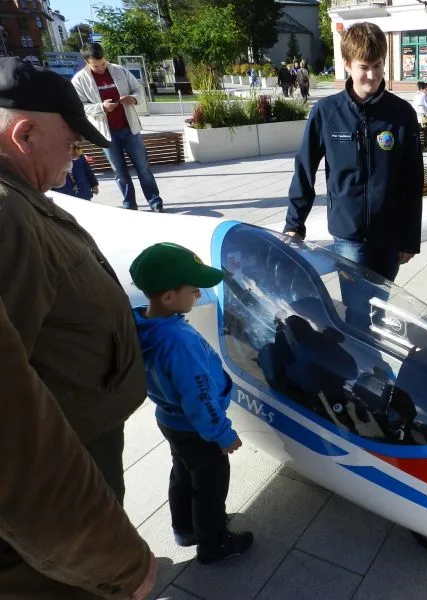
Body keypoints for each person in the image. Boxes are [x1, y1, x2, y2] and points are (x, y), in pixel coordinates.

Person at [0, 56, 155, 599]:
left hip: (81, 442)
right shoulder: (6, 214)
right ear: (24, 134)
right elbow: (12, 428)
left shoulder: (22, 197)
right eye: (71, 143)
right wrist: (115, 562)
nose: (79, 156)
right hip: (63, 478)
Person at [130, 242, 254, 564]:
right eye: (194, 289)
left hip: (170, 419)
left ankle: (185, 528)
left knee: (183, 473)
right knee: (211, 485)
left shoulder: (142, 322)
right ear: (169, 297)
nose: (199, 294)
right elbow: (199, 396)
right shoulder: (178, 341)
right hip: (197, 428)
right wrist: (222, 434)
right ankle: (213, 544)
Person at [284, 21, 423, 283]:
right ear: (348, 65)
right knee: (356, 304)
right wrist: (294, 224)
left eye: (377, 66)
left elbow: (413, 179)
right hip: (348, 236)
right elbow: (304, 169)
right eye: (364, 67)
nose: (372, 75)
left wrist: (410, 237)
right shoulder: (326, 112)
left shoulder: (402, 114)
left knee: (380, 304)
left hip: (389, 236)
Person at [71, 43, 165, 212]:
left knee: (143, 168)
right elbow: (79, 107)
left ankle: (155, 202)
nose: (101, 69)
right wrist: (101, 107)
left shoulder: (119, 70)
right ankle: (130, 205)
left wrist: (133, 98)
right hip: (107, 134)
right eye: (96, 66)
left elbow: (138, 89)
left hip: (130, 129)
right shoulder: (79, 80)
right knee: (119, 172)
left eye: (103, 63)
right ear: (86, 62)